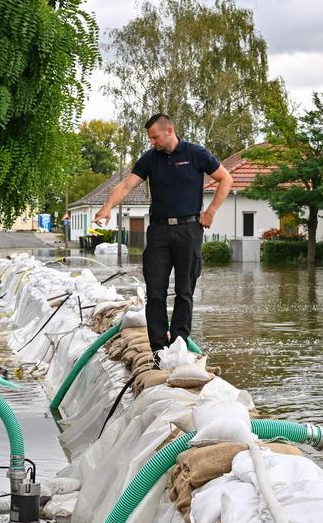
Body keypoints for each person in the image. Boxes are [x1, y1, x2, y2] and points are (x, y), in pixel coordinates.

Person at [95, 114, 232, 362]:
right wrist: (107, 208)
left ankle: (178, 344)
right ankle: (158, 349)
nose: (152, 142)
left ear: (169, 131)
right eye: (150, 138)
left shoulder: (196, 154)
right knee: (155, 291)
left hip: (189, 229)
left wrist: (210, 212)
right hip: (158, 231)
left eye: (155, 137)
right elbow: (126, 185)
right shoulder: (150, 159)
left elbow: (226, 178)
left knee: (184, 291)